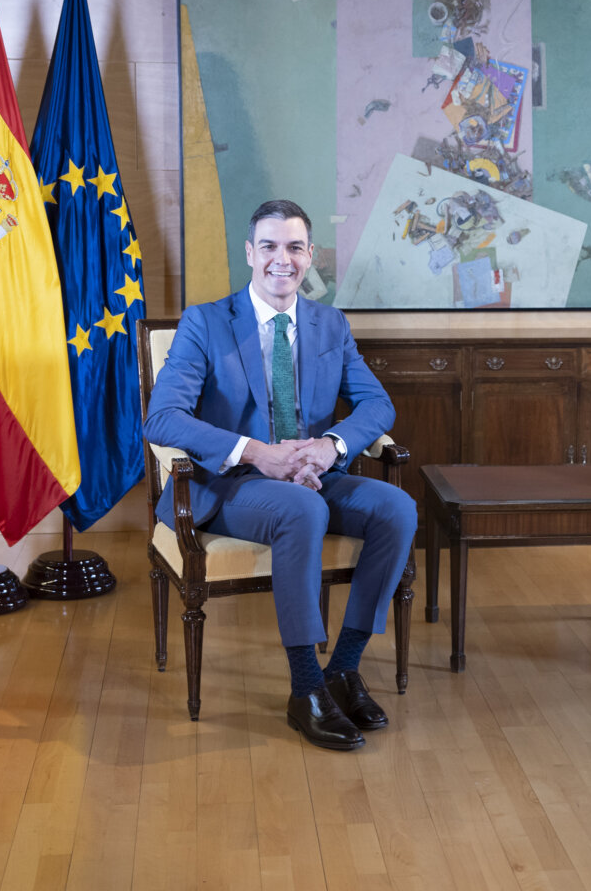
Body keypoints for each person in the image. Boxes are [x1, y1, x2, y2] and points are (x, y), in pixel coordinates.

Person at [144, 199, 417, 751]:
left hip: (310, 475)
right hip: (231, 486)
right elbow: (162, 416)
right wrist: (255, 453)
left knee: (398, 508)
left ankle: (342, 670)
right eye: (269, 246)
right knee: (304, 509)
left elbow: (376, 405)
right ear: (250, 253)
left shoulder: (329, 324)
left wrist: (327, 447)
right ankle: (306, 688)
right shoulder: (205, 322)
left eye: (294, 247)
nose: (282, 260)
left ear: (309, 255)